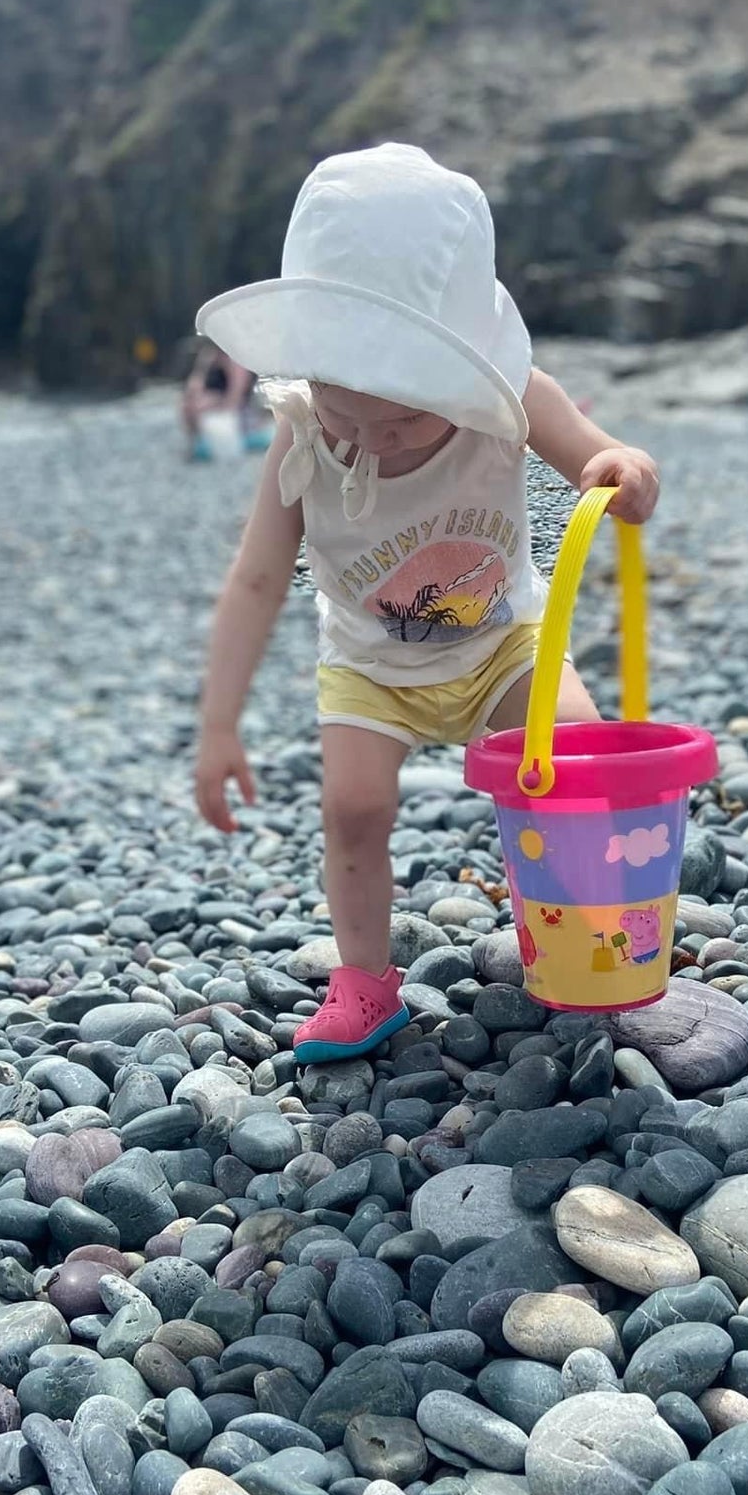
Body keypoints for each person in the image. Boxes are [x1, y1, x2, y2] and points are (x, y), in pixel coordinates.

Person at [191, 143, 660, 1064]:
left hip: (503, 643)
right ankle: (365, 982)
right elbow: (253, 580)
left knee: (573, 757)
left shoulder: (513, 402)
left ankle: (582, 942)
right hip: (371, 662)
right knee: (353, 807)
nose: (371, 440)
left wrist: (627, 473)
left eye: (401, 420)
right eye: (344, 411)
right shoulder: (298, 433)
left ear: (461, 371)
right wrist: (218, 726)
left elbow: (611, 469)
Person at [180, 340, 255, 460]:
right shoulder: (210, 357)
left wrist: (215, 404)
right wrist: (203, 367)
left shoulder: (236, 362)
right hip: (216, 402)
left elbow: (236, 396)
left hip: (239, 408)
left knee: (199, 405)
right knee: (188, 406)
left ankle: (205, 443)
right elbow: (193, 388)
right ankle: (196, 440)